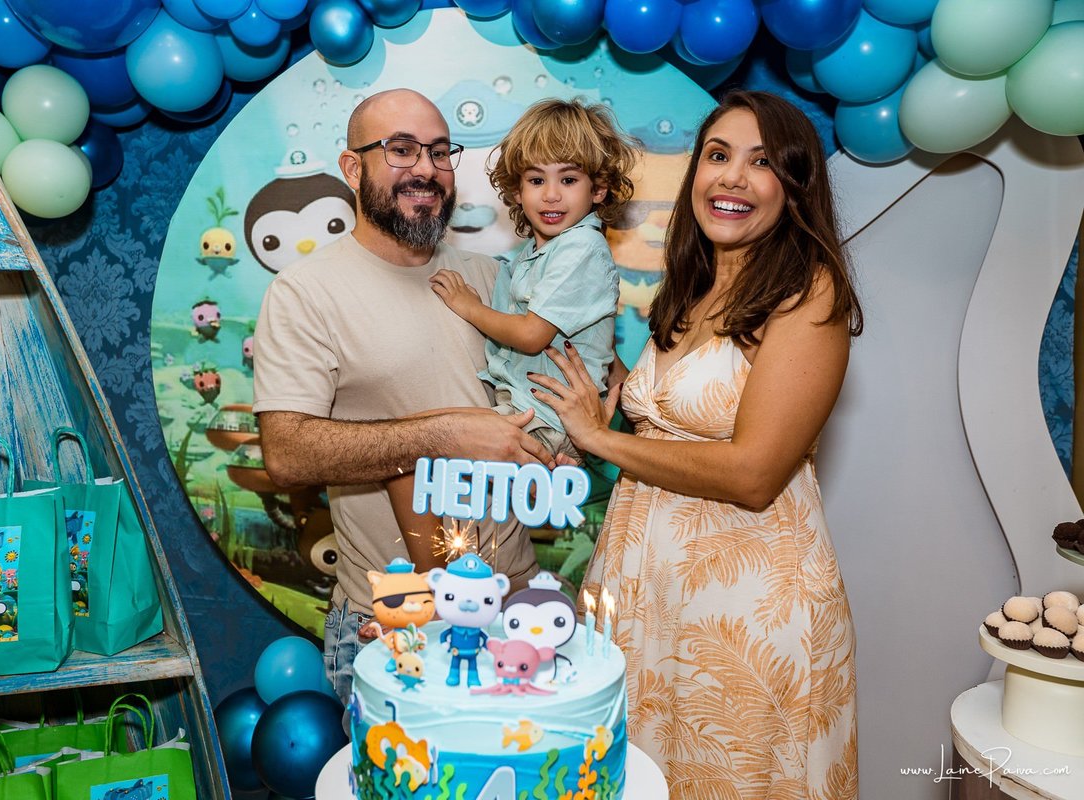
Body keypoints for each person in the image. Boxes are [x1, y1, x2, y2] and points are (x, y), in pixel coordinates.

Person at [531, 90, 862, 798]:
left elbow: (753, 472)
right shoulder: (694, 285)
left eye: (762, 162)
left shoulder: (809, 296)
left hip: (740, 609)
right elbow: (665, 414)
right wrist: (588, 377)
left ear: (795, 185)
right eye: (717, 156)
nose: (731, 178)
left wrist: (599, 439)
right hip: (644, 588)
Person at [252, 88, 546, 705]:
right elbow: (286, 454)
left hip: (514, 609)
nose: (427, 168)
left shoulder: (491, 279)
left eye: (440, 152)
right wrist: (444, 435)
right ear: (353, 167)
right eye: (402, 149)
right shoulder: (306, 294)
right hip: (392, 625)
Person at [386, 98, 639, 568]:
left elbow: (529, 335)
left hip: (546, 414)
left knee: (421, 459)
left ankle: (434, 581)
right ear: (517, 189)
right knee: (416, 439)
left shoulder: (581, 247)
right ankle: (443, 574)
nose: (551, 195)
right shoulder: (530, 254)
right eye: (536, 180)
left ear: (599, 189)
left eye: (569, 179)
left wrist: (468, 306)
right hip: (525, 405)